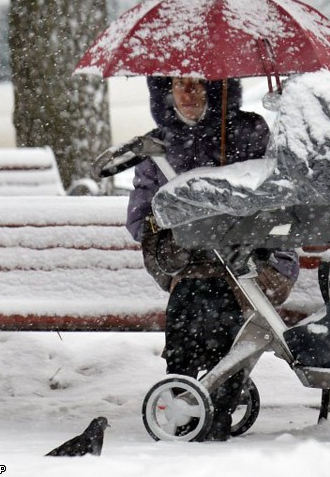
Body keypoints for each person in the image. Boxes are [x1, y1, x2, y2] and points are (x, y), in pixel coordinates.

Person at [127, 76, 299, 441]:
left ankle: (215, 408)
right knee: (193, 299)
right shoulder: (158, 146)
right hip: (192, 266)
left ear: (218, 88)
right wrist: (176, 230)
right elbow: (141, 219)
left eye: (198, 84)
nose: (188, 94)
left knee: (217, 300)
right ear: (165, 91)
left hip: (257, 261)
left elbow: (277, 203)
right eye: (178, 84)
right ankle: (185, 396)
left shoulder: (249, 132)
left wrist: (236, 222)